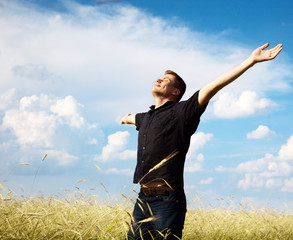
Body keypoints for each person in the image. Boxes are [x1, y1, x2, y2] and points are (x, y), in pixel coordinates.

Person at [120, 43, 283, 240]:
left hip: (167, 200)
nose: (159, 79)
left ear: (176, 92)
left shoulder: (182, 112)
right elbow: (130, 117)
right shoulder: (145, 117)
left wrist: (250, 61)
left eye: (166, 80)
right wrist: (125, 118)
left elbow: (213, 86)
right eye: (159, 77)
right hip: (142, 198)